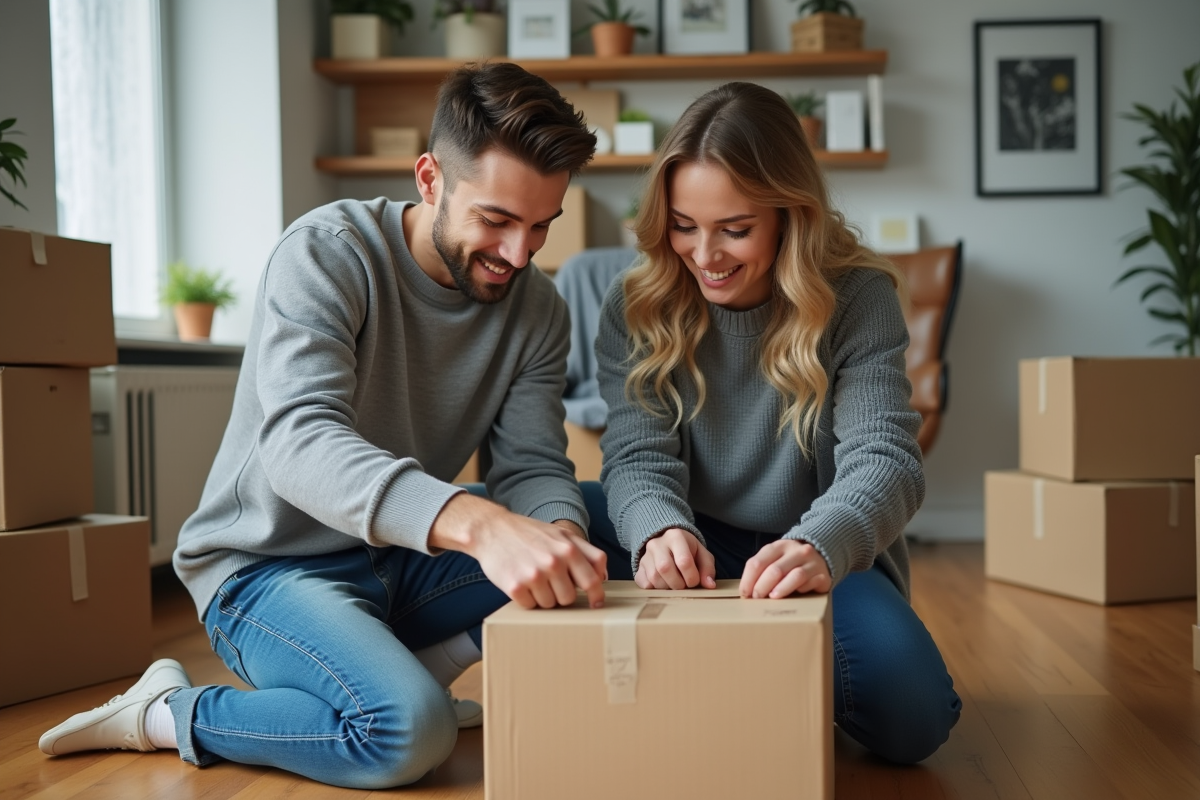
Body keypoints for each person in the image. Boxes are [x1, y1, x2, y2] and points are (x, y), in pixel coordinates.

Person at [38, 62, 608, 789]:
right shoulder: (329, 253)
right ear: (430, 179)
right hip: (268, 570)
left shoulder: (538, 309)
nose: (518, 256)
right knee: (405, 733)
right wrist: (479, 524)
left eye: (541, 226)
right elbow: (299, 445)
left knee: (591, 522)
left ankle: (425, 664)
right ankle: (167, 711)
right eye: (495, 220)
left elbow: (530, 464)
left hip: (396, 564)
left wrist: (555, 534)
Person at [585, 81, 962, 764]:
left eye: (735, 229)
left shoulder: (858, 296)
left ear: (791, 214)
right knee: (536, 517)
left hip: (811, 550)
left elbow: (887, 462)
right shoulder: (633, 302)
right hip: (690, 538)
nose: (705, 255)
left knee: (915, 719)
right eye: (682, 224)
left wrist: (819, 546)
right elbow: (635, 455)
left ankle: (762, 673)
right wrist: (658, 530)